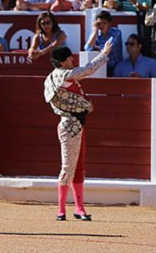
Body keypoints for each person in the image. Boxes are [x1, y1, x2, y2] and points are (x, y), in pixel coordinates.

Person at [44, 41, 114, 221]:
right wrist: (104, 54)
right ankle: (61, 210)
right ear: (63, 61)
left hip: (75, 124)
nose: (72, 59)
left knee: (78, 167)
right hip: (70, 126)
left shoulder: (52, 77)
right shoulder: (66, 75)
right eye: (69, 57)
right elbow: (89, 69)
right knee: (68, 168)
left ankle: (79, 208)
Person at [84, 10, 123, 75]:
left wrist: (97, 48)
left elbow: (109, 48)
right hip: (101, 68)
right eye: (99, 24)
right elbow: (87, 49)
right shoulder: (95, 34)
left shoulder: (116, 32)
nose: (101, 26)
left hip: (115, 68)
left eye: (104, 23)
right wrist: (96, 31)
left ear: (109, 24)